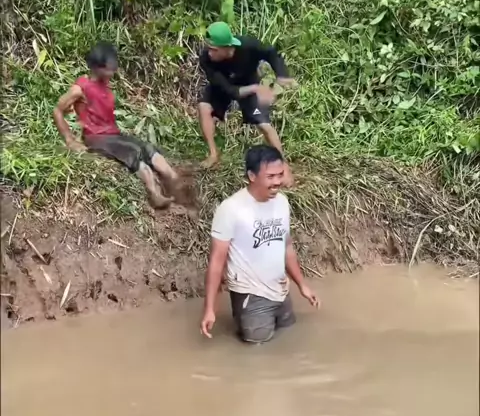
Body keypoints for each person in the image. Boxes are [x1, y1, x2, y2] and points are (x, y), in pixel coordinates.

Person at [200, 145, 320, 343]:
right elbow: (216, 261)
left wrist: (302, 285)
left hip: (281, 291)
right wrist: (209, 309)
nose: (277, 182)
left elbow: (286, 247)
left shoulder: (282, 203)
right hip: (251, 296)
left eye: (280, 175)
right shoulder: (231, 209)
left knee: (289, 337)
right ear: (252, 176)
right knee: (257, 348)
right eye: (270, 176)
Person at [53, 42, 181, 209]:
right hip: (96, 138)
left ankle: (176, 182)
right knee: (133, 152)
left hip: (113, 135)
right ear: (97, 67)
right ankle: (154, 194)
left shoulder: (104, 85)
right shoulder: (81, 87)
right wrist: (70, 140)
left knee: (148, 148)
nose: (113, 72)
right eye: (109, 68)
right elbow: (57, 110)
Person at [198, 22, 296, 185]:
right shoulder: (206, 59)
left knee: (264, 125)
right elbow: (229, 90)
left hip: (248, 83)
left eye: (214, 49)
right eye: (208, 48)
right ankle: (213, 154)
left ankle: (284, 167)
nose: (209, 53)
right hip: (224, 87)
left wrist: (281, 74)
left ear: (227, 47)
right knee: (204, 107)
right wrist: (257, 88)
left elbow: (271, 52)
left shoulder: (248, 46)